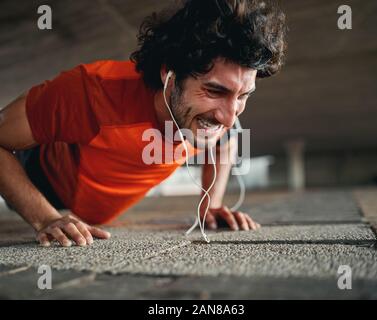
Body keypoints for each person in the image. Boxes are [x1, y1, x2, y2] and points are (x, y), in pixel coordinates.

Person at [0, 0, 286, 247]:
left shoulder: (217, 111)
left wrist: (211, 205)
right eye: (214, 91)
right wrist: (46, 217)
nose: (229, 115)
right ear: (168, 75)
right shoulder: (91, 92)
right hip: (42, 178)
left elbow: (226, 138)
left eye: (243, 95)